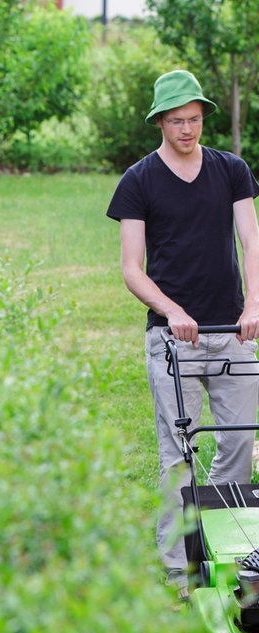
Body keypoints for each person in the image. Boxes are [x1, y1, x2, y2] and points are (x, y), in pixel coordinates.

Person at [106, 70, 259, 600]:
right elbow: (131, 268)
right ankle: (180, 571)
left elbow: (250, 241)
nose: (188, 129)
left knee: (240, 443)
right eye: (178, 121)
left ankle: (224, 544)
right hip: (174, 342)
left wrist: (255, 303)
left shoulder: (232, 171)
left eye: (195, 119)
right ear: (159, 122)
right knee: (179, 456)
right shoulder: (139, 180)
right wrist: (171, 311)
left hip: (233, 332)